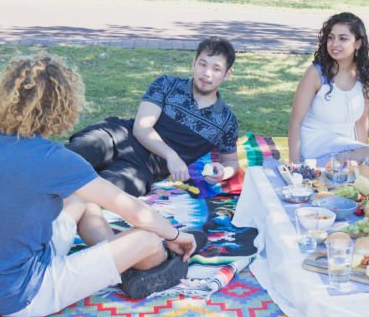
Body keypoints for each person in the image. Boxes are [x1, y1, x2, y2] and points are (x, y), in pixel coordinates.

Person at [0, 55, 202, 317]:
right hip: (27, 293)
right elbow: (133, 210)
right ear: (63, 106)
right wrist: (176, 236)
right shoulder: (51, 158)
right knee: (149, 239)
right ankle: (149, 262)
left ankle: (121, 262)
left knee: (82, 199)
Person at [66, 37, 240, 197]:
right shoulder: (166, 84)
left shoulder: (226, 122)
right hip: (119, 136)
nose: (207, 73)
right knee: (70, 159)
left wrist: (223, 172)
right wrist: (173, 157)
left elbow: (231, 161)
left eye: (216, 68)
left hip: (142, 169)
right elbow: (142, 128)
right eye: (202, 64)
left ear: (227, 74)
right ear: (193, 63)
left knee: (100, 194)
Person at [287, 13, 369, 165]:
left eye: (343, 38)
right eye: (330, 37)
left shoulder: (366, 72)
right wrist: (296, 166)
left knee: (368, 154)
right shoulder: (315, 74)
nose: (334, 44)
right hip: (315, 147)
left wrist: (363, 159)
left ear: (358, 43)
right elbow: (295, 123)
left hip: (348, 151)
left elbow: (362, 121)